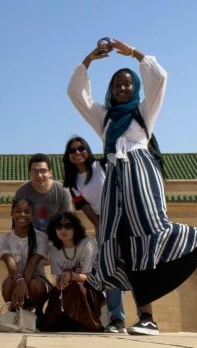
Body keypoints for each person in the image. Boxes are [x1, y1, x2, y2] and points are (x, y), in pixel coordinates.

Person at [67, 38, 197, 335]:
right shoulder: (104, 118)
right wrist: (91, 57)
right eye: (117, 85)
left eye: (128, 84)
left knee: (154, 231)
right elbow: (76, 93)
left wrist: (132, 53)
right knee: (125, 244)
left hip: (141, 175)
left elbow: (160, 77)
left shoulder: (144, 112)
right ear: (111, 90)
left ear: (135, 88)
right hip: (117, 183)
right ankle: (147, 318)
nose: (123, 88)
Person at [62, 136, 126, 333]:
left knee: (136, 266)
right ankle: (117, 318)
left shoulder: (103, 165)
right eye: (72, 151)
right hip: (104, 225)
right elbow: (89, 211)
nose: (77, 153)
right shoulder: (72, 184)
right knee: (111, 270)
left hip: (124, 217)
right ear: (68, 157)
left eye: (81, 148)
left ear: (87, 150)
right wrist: (103, 228)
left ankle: (146, 317)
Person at [43, 212, 104, 332]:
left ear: (75, 227)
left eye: (68, 225)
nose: (63, 230)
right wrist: (62, 282)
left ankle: (85, 322)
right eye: (59, 226)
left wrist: (71, 275)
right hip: (66, 287)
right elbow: (58, 276)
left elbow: (90, 277)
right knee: (59, 291)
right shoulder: (54, 248)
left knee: (78, 286)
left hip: (91, 288)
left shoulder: (88, 243)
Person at [0, 198, 51, 327]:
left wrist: (23, 282)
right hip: (15, 282)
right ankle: (14, 311)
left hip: (36, 284)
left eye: (27, 212)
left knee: (35, 284)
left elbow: (33, 263)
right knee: (8, 283)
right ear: (11, 214)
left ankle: (38, 313)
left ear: (32, 215)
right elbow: (9, 262)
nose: (22, 215)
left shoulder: (41, 237)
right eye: (18, 211)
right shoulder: (4, 239)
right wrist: (20, 281)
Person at [15, 153, 72, 233]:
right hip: (31, 237)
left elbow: (67, 220)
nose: (39, 175)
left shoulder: (62, 191)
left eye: (43, 171)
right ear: (30, 173)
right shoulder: (22, 192)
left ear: (50, 173)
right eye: (35, 171)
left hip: (56, 236)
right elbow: (18, 221)